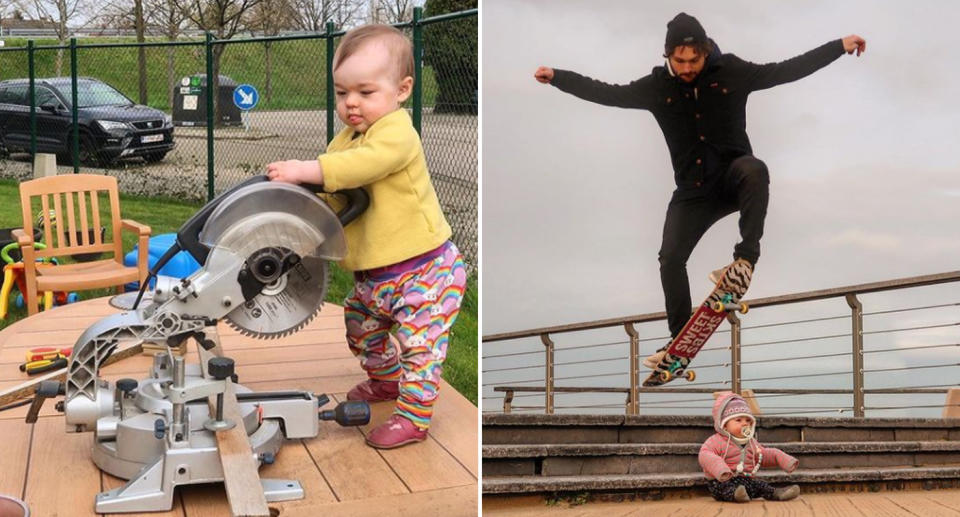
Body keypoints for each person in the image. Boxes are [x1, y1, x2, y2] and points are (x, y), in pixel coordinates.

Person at [534, 13, 866, 367]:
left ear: (707, 52)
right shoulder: (656, 87)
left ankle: (744, 262)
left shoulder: (733, 72)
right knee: (670, 259)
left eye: (695, 60)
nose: (689, 67)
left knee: (755, 169)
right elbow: (606, 93)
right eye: (681, 61)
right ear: (668, 57)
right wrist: (559, 79)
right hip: (693, 192)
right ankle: (678, 341)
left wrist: (838, 48)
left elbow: (786, 70)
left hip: (733, 177)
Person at [266, 24, 467, 449]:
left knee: (420, 347)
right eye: (341, 93)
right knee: (359, 328)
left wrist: (308, 169)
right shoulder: (348, 138)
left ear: (402, 89)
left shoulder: (397, 133)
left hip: (425, 272)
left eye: (365, 92)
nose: (351, 103)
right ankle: (384, 379)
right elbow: (336, 189)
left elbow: (359, 168)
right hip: (374, 277)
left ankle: (415, 417)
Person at [700, 392, 800, 502]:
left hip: (745, 480)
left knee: (760, 485)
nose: (745, 424)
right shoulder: (716, 441)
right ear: (724, 425)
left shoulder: (752, 443)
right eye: (738, 420)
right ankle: (736, 494)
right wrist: (720, 469)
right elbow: (705, 455)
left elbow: (763, 454)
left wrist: (781, 458)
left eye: (748, 420)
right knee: (726, 488)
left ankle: (777, 493)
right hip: (721, 481)